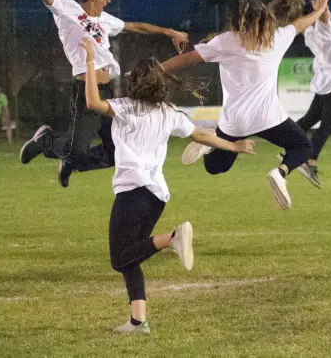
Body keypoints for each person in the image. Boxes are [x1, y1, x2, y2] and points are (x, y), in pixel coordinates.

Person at [79, 37, 255, 334]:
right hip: (155, 197)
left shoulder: (125, 107)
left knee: (119, 258)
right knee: (131, 256)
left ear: (137, 83)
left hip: (133, 192)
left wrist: (88, 61)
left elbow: (92, 102)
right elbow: (200, 136)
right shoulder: (168, 112)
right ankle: (138, 322)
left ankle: (171, 238)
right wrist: (233, 146)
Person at [19, 0, 189, 187]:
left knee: (116, 152)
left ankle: (70, 162)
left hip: (108, 92)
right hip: (87, 92)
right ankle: (45, 141)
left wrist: (169, 32)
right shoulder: (66, 9)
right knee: (76, 151)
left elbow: (136, 27)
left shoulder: (105, 20)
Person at [161, 0, 331, 210]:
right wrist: (319, 12)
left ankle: (209, 143)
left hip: (236, 122)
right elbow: (300, 24)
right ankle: (280, 173)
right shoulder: (277, 37)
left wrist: (156, 68)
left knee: (214, 168)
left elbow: (187, 59)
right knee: (303, 147)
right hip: (268, 118)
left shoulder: (226, 41)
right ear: (263, 18)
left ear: (236, 20)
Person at [268, 0, 331, 187]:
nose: (328, 12)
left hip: (327, 80)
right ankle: (309, 161)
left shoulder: (310, 32)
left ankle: (288, 145)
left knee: (311, 118)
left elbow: (320, 16)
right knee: (328, 125)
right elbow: (322, 16)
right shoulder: (321, 29)